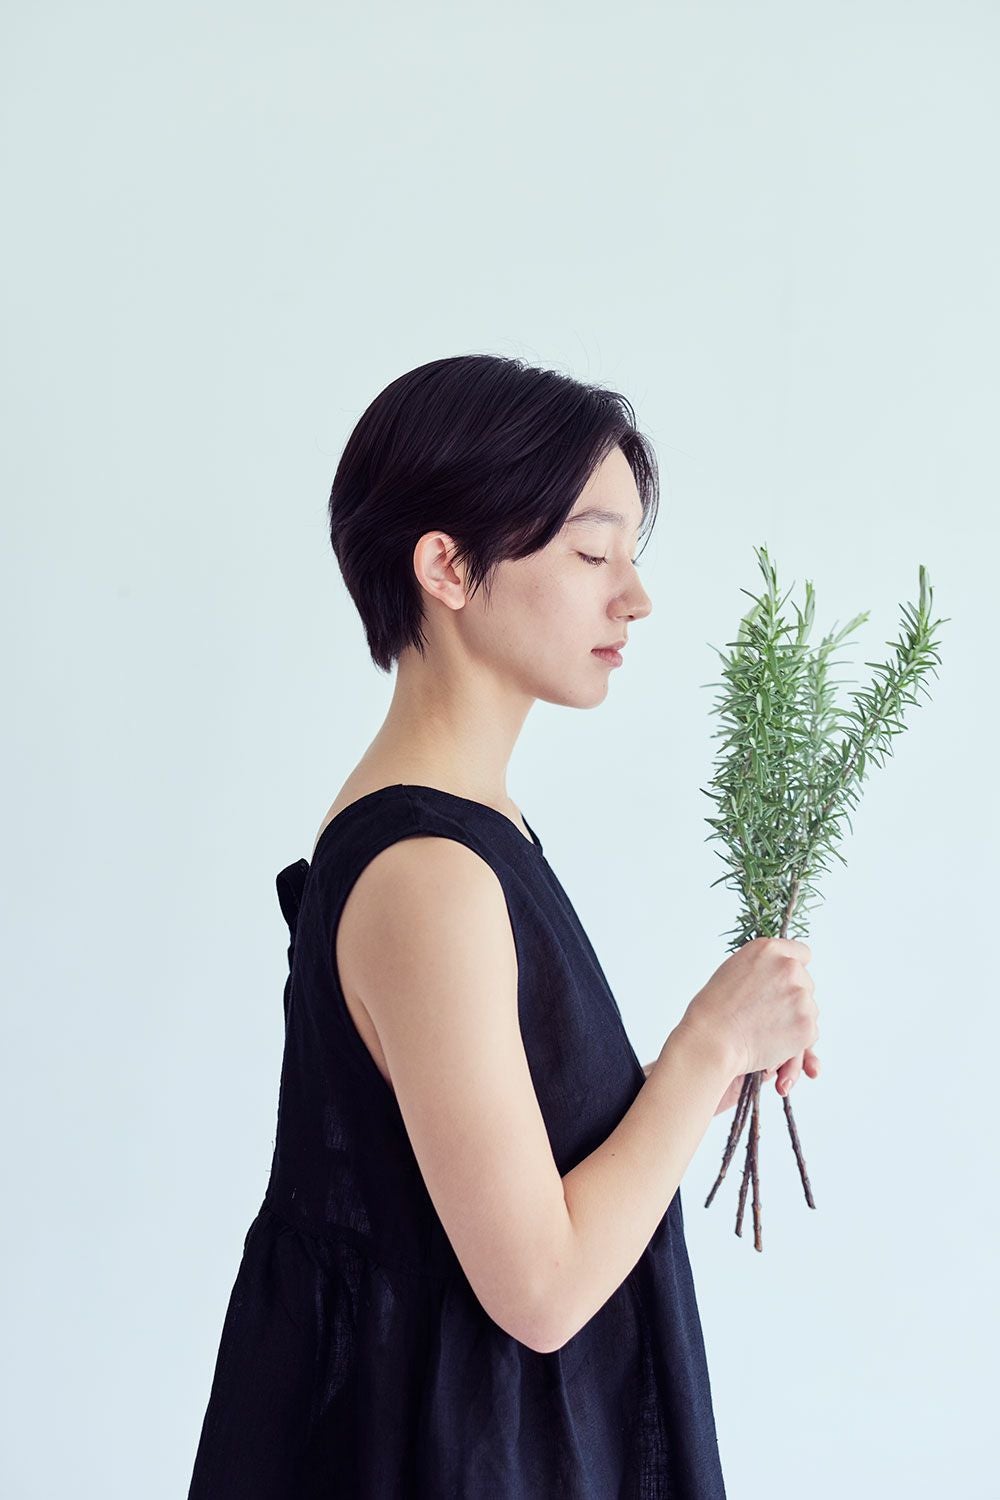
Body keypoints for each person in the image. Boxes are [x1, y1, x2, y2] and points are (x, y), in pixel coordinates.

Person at [186, 353, 820, 1497]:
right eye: (590, 553)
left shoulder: (470, 834)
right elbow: (539, 1289)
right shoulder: (428, 874)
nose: (634, 597)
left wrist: (714, 1065)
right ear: (447, 566)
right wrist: (707, 1044)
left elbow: (519, 1182)